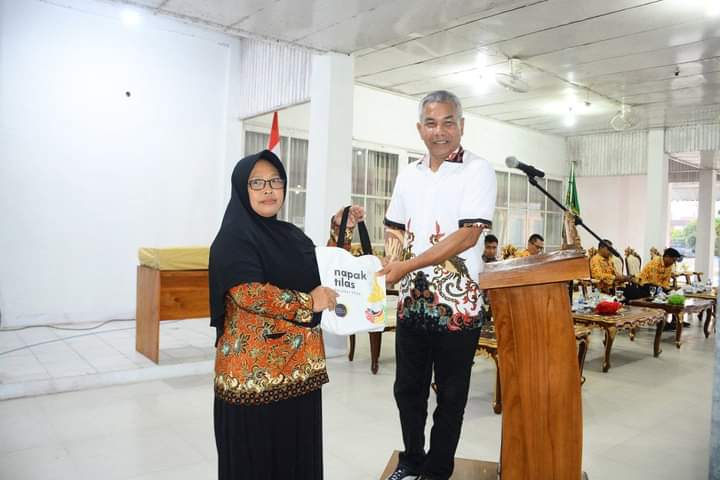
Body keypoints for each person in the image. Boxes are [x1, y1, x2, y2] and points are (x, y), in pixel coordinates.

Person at [209, 149, 364, 480]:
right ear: (241, 188)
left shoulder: (291, 235)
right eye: (257, 183)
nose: (269, 189)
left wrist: (341, 230)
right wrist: (308, 302)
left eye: (276, 180)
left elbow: (322, 271)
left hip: (300, 376)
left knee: (296, 461)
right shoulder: (233, 238)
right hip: (254, 383)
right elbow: (249, 293)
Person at [379, 90, 496, 480]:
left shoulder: (477, 169)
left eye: (448, 122)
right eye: (431, 123)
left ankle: (438, 469)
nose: (440, 131)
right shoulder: (409, 173)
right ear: (419, 128)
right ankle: (412, 459)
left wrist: (406, 263)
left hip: (458, 307)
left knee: (450, 394)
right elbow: (395, 228)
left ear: (461, 126)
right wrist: (390, 263)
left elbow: (468, 236)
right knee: (407, 390)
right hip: (412, 302)